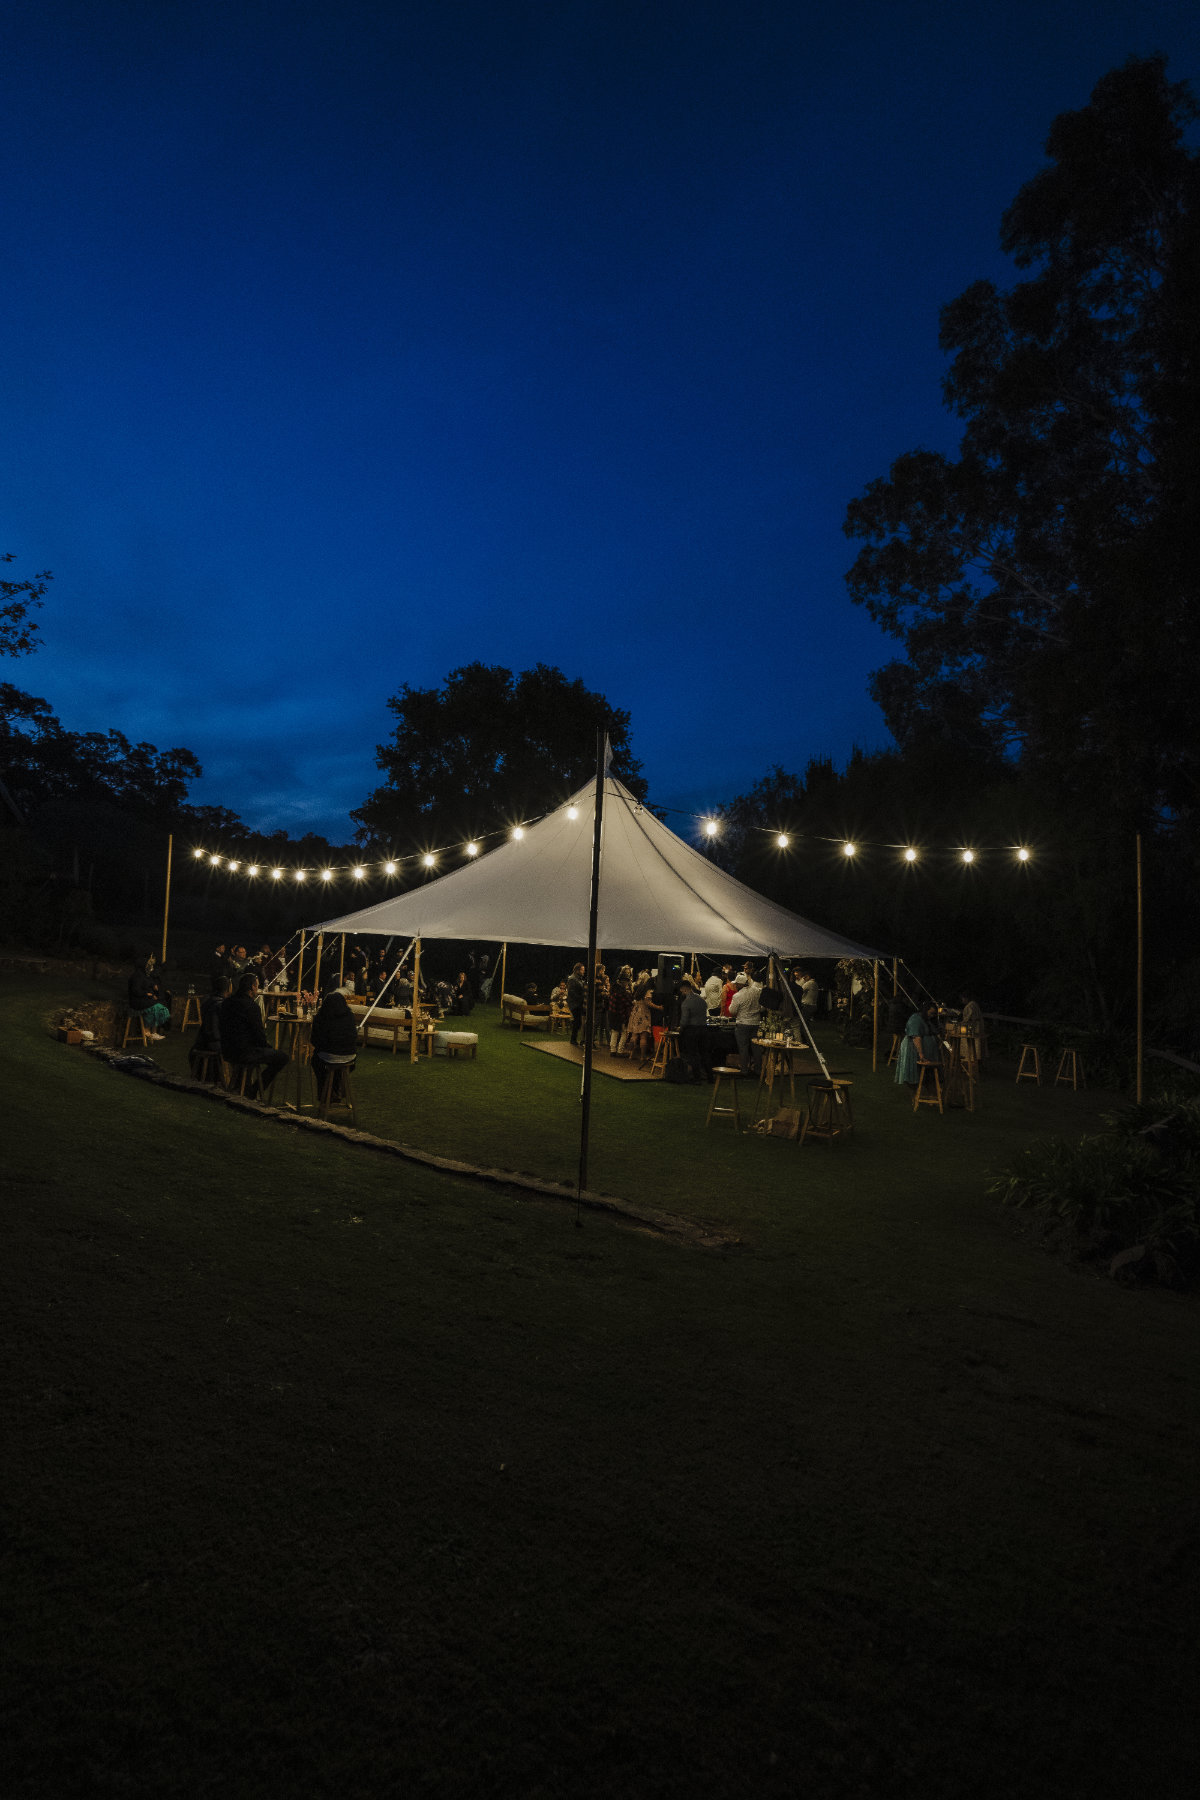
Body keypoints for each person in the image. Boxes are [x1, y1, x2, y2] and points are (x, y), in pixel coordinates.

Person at [219, 973, 289, 1096]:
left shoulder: (227, 1002)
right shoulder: (251, 1007)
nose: (258, 988)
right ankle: (253, 1090)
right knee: (282, 1057)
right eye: (257, 985)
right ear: (252, 987)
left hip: (227, 1049)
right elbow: (258, 1034)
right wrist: (267, 1047)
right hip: (244, 1052)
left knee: (255, 1050)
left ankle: (242, 1086)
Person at [310, 985, 359, 1100]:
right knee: (337, 1066)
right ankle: (335, 1089)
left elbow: (314, 1040)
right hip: (350, 1057)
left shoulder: (321, 1017)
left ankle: (326, 1093)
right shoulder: (350, 1016)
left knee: (317, 1061)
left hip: (329, 1056)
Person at [189, 975, 230, 1074]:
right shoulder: (221, 1005)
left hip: (202, 1041)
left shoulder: (208, 1001)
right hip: (213, 1042)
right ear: (227, 989)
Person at [677, 976, 713, 1084]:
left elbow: (684, 1020)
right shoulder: (701, 1000)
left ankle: (697, 1077)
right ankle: (710, 1077)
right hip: (704, 1029)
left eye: (681, 991)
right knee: (705, 1053)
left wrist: (680, 1028)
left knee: (693, 1054)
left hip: (692, 1030)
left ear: (684, 989)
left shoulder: (686, 1003)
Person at [894, 1006, 941, 1088]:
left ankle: (924, 1090)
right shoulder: (915, 1019)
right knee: (914, 1073)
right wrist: (921, 1053)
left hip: (923, 1049)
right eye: (931, 1013)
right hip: (913, 1048)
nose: (932, 1015)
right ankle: (914, 1094)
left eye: (934, 1014)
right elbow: (916, 1037)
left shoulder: (927, 1020)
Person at [728, 970, 764, 1074]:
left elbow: (732, 1011)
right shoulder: (757, 991)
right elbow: (762, 1008)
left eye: (736, 984)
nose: (735, 986)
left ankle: (744, 1070)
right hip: (756, 1023)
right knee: (756, 1047)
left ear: (740, 984)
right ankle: (758, 1069)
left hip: (743, 1023)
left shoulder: (738, 996)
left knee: (743, 1048)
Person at [128, 961, 171, 1040]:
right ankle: (146, 1030)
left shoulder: (145, 976)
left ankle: (153, 1032)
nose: (150, 967)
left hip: (144, 1000)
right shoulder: (136, 976)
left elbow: (149, 985)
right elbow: (136, 991)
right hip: (137, 1002)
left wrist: (154, 989)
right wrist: (147, 994)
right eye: (147, 965)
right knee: (156, 1007)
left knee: (160, 1006)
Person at [626, 980, 655, 1065]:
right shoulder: (648, 992)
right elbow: (648, 1003)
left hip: (635, 1013)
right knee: (643, 1036)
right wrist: (658, 1007)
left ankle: (631, 1055)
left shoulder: (638, 990)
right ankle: (643, 1056)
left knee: (634, 1036)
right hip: (643, 1014)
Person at [959, 990, 988, 1068]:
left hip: (973, 1028)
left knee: (972, 1047)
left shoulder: (970, 1006)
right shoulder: (974, 1004)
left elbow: (968, 1018)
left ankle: (970, 1064)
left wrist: (960, 1024)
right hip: (977, 1027)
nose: (962, 1001)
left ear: (966, 998)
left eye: (962, 999)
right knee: (977, 1047)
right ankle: (977, 1063)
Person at [607, 973, 632, 1055]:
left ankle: (613, 1050)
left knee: (614, 1032)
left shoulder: (613, 990)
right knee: (624, 1032)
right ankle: (620, 1051)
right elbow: (628, 1004)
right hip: (621, 1015)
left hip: (612, 1014)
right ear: (623, 982)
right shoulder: (623, 992)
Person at [566, 961, 587, 1047]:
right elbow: (571, 992)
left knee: (579, 1021)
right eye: (582, 970)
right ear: (577, 970)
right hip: (575, 1004)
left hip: (579, 1003)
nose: (584, 971)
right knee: (577, 1021)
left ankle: (577, 1039)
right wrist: (581, 998)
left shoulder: (579, 978)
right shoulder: (572, 979)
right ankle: (573, 1039)